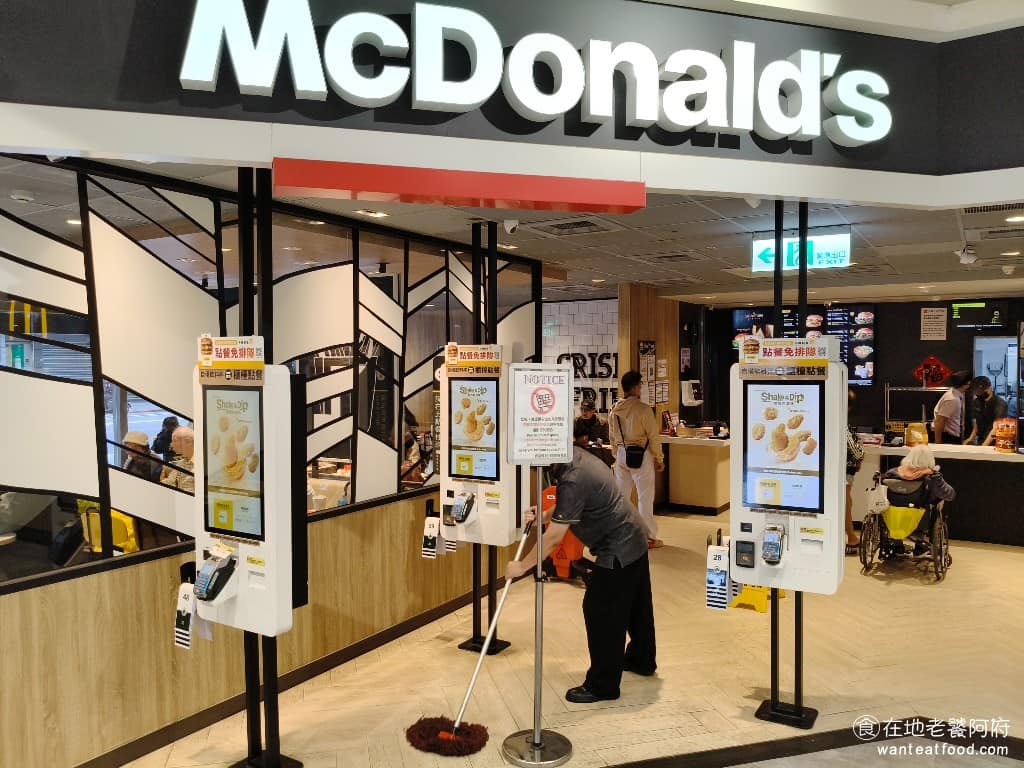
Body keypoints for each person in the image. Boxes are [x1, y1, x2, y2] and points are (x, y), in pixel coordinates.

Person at [505, 444, 655, 703]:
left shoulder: (573, 475)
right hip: (634, 536)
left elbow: (553, 539)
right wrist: (543, 515)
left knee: (600, 610)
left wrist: (522, 566)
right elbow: (571, 504)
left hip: (617, 545)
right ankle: (642, 659)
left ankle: (602, 685)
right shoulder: (577, 458)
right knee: (636, 605)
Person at [609, 371, 664, 548]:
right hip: (641, 455)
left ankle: (619, 534)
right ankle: (648, 537)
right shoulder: (643, 409)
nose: (641, 387)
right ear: (634, 387)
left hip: (622, 455)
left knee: (621, 497)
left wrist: (617, 455)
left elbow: (611, 436)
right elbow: (654, 436)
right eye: (639, 385)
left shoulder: (614, 410)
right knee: (644, 497)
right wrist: (659, 457)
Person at [883, 444, 956, 552]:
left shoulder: (891, 473)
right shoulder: (931, 477)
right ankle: (920, 546)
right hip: (919, 520)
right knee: (936, 501)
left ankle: (897, 545)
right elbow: (950, 494)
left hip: (893, 519)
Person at [964, 375, 1007, 446]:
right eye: (977, 393)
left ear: (990, 388)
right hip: (980, 440)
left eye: (981, 392)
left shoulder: (1000, 404)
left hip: (995, 442)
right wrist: (970, 439)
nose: (979, 394)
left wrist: (984, 445)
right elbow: (977, 424)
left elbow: (996, 428)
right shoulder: (976, 402)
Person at [845, 389, 864, 554]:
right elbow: (853, 447)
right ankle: (851, 537)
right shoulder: (841, 423)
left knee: (846, 501)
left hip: (840, 468)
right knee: (845, 503)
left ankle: (850, 536)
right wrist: (860, 457)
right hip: (845, 469)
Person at [932, 370, 972, 444]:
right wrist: (938, 442)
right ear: (965, 384)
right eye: (969, 382)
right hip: (948, 437)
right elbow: (940, 420)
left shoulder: (956, 394)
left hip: (951, 436)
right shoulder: (952, 399)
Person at [161, 426, 195, 493]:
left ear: (187, 442)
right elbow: (170, 481)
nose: (171, 444)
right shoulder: (182, 462)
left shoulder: (198, 465)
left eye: (175, 440)